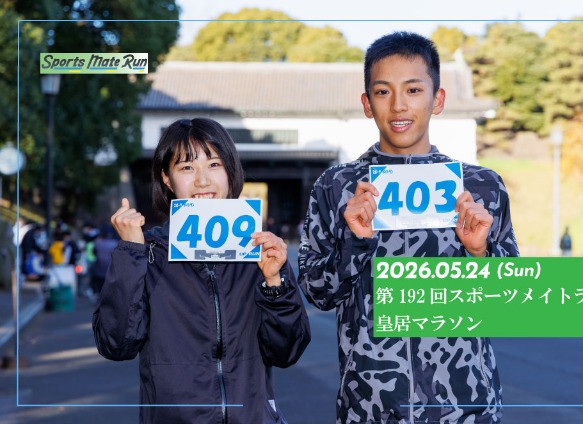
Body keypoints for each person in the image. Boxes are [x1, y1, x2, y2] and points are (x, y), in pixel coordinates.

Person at [298, 32, 519, 424]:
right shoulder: (336, 187)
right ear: (367, 104)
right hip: (369, 408)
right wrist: (354, 242)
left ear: (438, 99)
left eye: (413, 90)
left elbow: (511, 303)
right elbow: (317, 293)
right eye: (383, 92)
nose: (398, 105)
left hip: (467, 408)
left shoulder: (482, 186)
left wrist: (480, 252)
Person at [93, 118, 310, 424]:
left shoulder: (259, 251)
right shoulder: (148, 252)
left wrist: (275, 282)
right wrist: (130, 253)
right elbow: (116, 345)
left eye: (214, 164)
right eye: (186, 167)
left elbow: (287, 351)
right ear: (167, 179)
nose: (203, 180)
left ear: (230, 171)